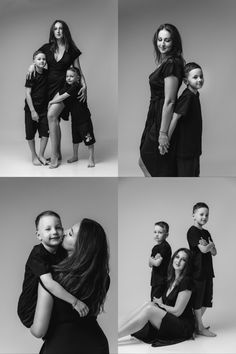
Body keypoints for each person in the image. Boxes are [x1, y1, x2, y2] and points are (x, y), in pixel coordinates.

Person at [30, 218, 110, 354]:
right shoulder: (103, 278)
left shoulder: (52, 278)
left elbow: (39, 331)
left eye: (71, 233)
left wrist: (30, 325)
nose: (64, 232)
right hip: (97, 346)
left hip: (60, 348)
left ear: (82, 246)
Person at [28, 20, 87, 168]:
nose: (58, 31)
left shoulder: (72, 50)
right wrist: (31, 66)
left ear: (65, 31)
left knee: (51, 115)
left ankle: (54, 156)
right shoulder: (47, 48)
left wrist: (84, 84)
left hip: (65, 88)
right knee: (55, 121)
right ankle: (58, 152)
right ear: (52, 32)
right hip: (48, 88)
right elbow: (36, 58)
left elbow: (78, 71)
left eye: (61, 28)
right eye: (55, 29)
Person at [17, 211, 88, 329]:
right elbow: (49, 284)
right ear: (38, 235)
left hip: (51, 302)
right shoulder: (37, 255)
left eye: (58, 227)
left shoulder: (62, 250)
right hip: (30, 308)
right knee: (51, 283)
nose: (54, 232)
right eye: (48, 229)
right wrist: (75, 302)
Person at [119, 248, 195, 346]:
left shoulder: (186, 281)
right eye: (177, 257)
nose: (179, 261)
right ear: (173, 259)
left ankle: (116, 335)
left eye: (183, 260)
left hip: (183, 327)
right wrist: (159, 304)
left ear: (187, 264)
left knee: (150, 309)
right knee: (148, 304)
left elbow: (177, 311)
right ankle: (118, 328)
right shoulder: (170, 279)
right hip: (172, 320)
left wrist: (160, 305)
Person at [139, 23, 185, 177]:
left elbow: (170, 100)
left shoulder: (172, 64)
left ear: (174, 43)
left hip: (162, 117)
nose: (162, 44)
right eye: (160, 39)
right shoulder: (166, 62)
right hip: (154, 114)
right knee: (147, 161)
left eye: (167, 40)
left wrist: (164, 133)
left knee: (153, 162)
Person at [48, 67, 96, 167]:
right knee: (75, 139)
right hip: (75, 118)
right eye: (67, 76)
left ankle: (91, 158)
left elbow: (64, 96)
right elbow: (61, 92)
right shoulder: (67, 86)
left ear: (77, 78)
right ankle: (75, 155)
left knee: (88, 138)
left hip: (84, 118)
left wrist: (52, 101)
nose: (69, 78)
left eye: (71, 76)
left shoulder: (76, 86)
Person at [168, 63, 204, 176]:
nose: (200, 79)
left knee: (194, 176)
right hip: (185, 151)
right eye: (195, 77)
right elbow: (175, 118)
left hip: (193, 149)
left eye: (201, 76)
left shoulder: (194, 95)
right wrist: (166, 139)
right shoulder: (187, 96)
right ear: (186, 81)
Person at [187, 202, 217, 337]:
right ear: (194, 215)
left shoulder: (206, 232)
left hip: (208, 271)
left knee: (206, 300)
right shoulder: (192, 231)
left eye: (206, 215)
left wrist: (210, 245)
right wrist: (209, 245)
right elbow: (204, 249)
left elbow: (214, 252)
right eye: (201, 214)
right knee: (198, 300)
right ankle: (200, 327)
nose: (204, 217)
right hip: (197, 271)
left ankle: (193, 325)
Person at [24, 50, 49, 166]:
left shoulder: (47, 73)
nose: (42, 61)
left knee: (45, 133)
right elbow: (27, 93)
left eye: (43, 59)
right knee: (30, 134)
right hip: (31, 109)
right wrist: (33, 111)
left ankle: (41, 155)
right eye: (39, 59)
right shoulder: (31, 74)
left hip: (44, 109)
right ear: (34, 61)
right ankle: (34, 156)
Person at [149, 221, 172, 300]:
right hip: (155, 279)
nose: (157, 234)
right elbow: (150, 264)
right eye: (155, 232)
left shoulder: (165, 247)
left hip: (162, 280)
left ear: (166, 235)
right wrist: (152, 260)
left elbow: (157, 263)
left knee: (157, 301)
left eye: (160, 232)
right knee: (153, 299)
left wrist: (152, 260)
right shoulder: (155, 248)